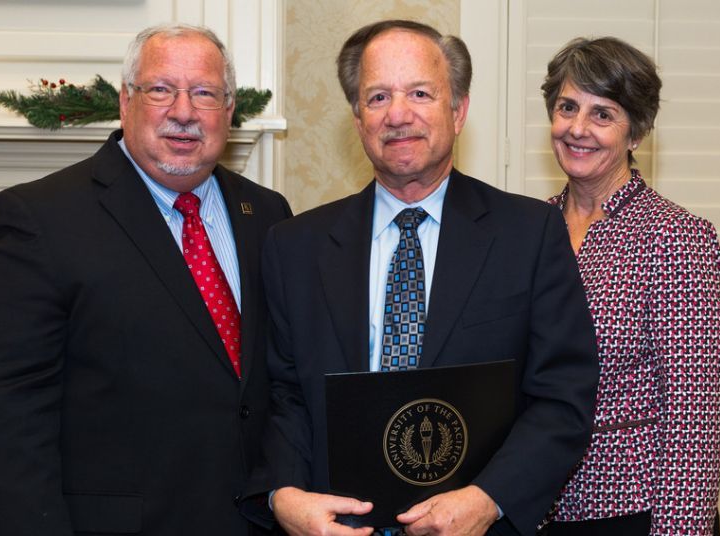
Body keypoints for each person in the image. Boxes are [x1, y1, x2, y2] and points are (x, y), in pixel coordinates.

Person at [244, 20, 599, 536]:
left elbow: (563, 395)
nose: (399, 115)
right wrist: (284, 494)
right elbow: (285, 397)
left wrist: (488, 499)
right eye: (379, 96)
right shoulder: (294, 247)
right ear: (358, 117)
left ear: (458, 112)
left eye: (420, 93)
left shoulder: (529, 234)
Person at [0, 23, 291, 535]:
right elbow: (6, 416)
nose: (183, 112)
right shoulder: (39, 218)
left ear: (228, 111)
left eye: (204, 93)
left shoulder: (267, 214)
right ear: (126, 101)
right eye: (161, 89)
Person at [538, 37, 720, 536]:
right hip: (534, 505)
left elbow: (694, 413)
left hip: (633, 510)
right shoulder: (531, 230)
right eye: (567, 107)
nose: (578, 128)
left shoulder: (673, 235)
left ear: (636, 132)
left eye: (603, 114)